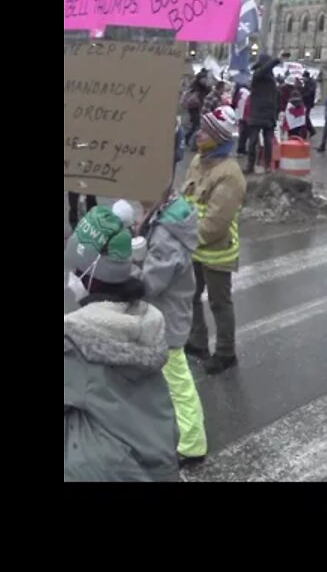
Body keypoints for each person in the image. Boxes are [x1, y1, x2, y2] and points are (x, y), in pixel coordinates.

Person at [64, 206, 180, 481]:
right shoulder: (143, 321)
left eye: (77, 269)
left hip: (113, 470)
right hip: (160, 460)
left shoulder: (77, 341)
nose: (72, 275)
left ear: (91, 274)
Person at [135, 191, 208, 464]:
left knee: (179, 382)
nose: (139, 203)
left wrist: (125, 275)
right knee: (165, 378)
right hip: (167, 314)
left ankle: (193, 444)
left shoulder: (167, 236)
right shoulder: (168, 213)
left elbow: (151, 283)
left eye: (141, 198)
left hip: (166, 320)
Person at [182, 107, 247, 374]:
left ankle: (225, 352)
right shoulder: (199, 160)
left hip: (216, 250)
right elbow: (186, 198)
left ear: (219, 137)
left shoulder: (230, 174)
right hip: (193, 246)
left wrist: (183, 238)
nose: (199, 134)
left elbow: (215, 223)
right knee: (189, 295)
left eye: (207, 131)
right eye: (201, 128)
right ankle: (197, 342)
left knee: (219, 302)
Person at [245, 55, 281, 174]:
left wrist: (275, 113)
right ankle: (251, 165)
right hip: (258, 113)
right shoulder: (257, 76)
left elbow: (276, 98)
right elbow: (263, 70)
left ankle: (267, 165)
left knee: (267, 141)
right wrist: (276, 60)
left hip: (267, 114)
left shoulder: (271, 80)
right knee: (254, 141)